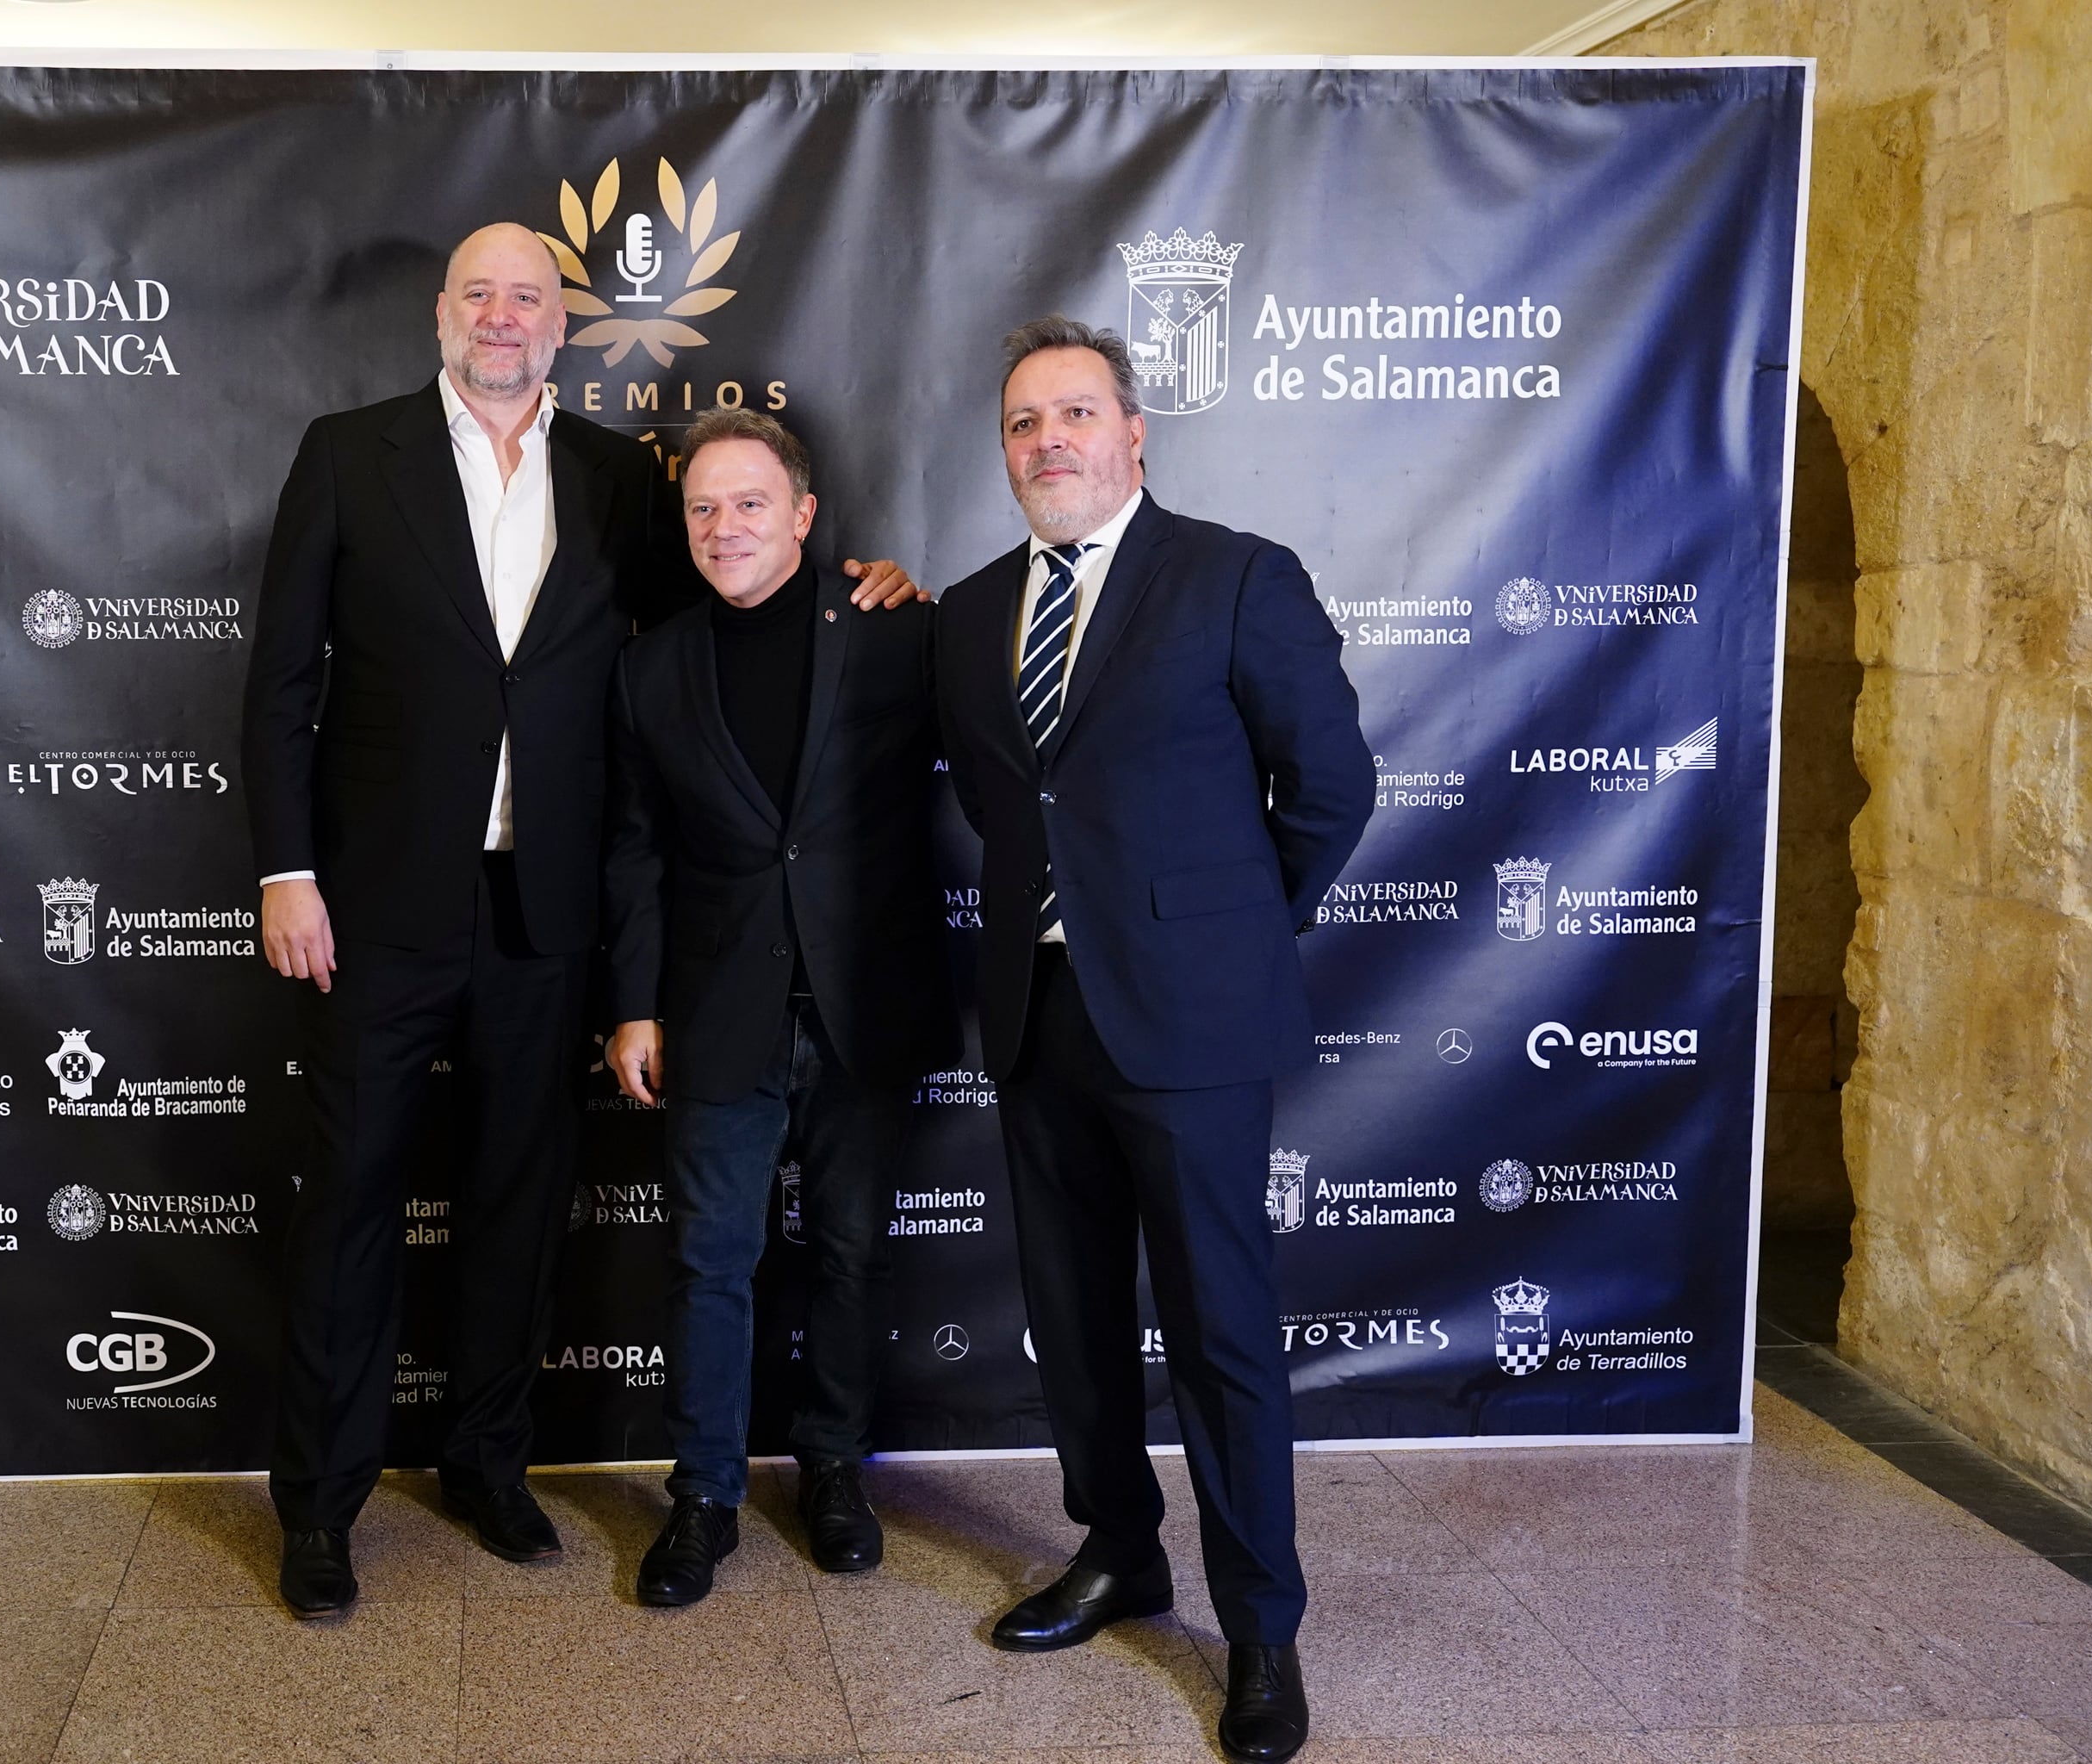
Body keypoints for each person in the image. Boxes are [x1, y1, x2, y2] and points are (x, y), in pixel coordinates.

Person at [241, 222, 916, 1618]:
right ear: (443, 312)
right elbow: (283, 680)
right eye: (480, 293)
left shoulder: (620, 479)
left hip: (546, 910)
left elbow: (730, 622)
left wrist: (871, 588)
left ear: (563, 326)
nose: (503, 316)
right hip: (377, 904)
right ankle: (320, 1506)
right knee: (352, 1201)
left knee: (519, 1200)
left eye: (530, 297)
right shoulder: (347, 453)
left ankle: (488, 1465)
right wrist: (285, 871)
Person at [934, 315, 1372, 1763]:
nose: (1047, 441)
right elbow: (1003, 800)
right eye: (1023, 423)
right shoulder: (971, 609)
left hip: (1191, 1020)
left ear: (1134, 432)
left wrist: (1224, 934)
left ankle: (1260, 1628)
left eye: (1075, 413)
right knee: (1071, 1317)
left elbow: (1330, 784)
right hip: (1038, 1012)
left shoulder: (1236, 576)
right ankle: (1120, 1551)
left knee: (1220, 1331)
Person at [601, 409, 953, 1606]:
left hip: (866, 1003)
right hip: (715, 1011)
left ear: (802, 515)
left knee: (852, 1253)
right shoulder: (650, 667)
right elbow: (636, 851)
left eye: (750, 502)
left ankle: (836, 1471)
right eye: (703, 507)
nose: (725, 526)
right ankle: (703, 1496)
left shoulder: (897, 630)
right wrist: (633, 1004)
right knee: (710, 1262)